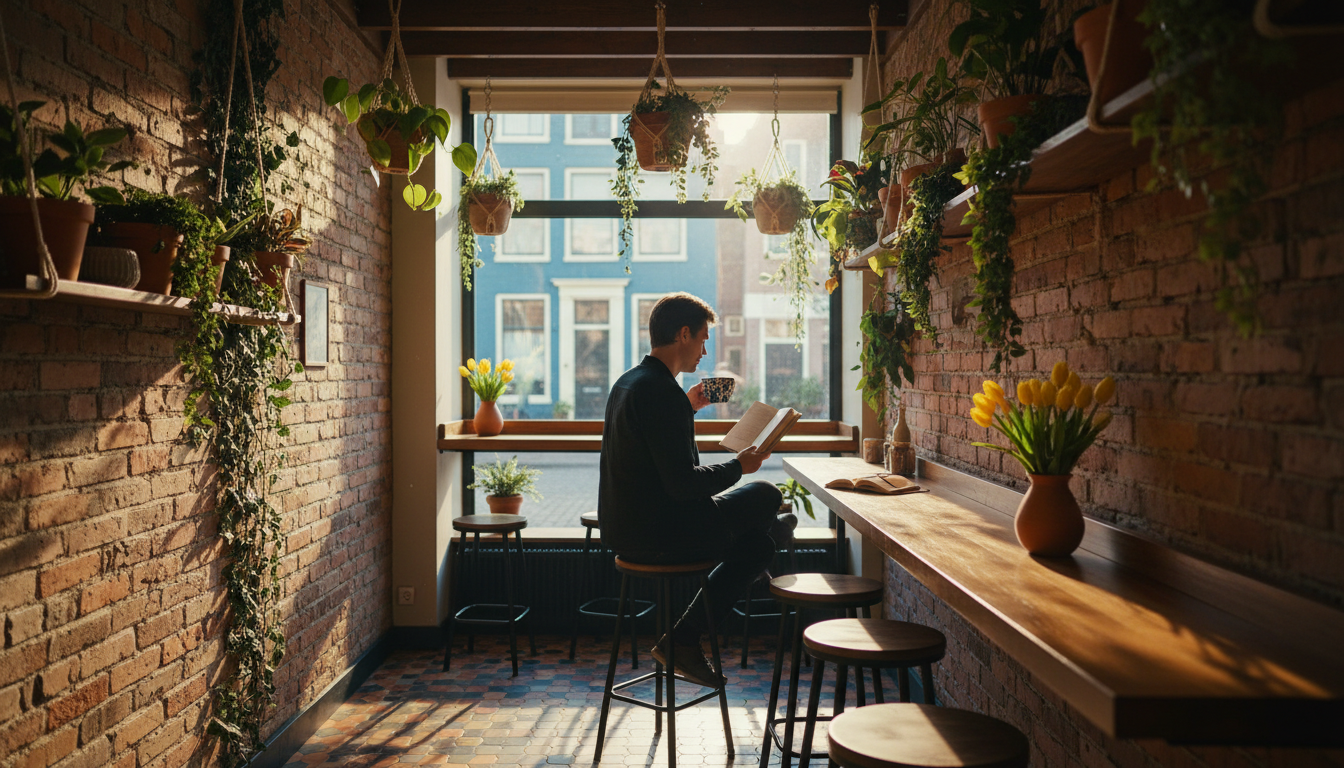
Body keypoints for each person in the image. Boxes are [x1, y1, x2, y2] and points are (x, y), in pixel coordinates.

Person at [598, 292, 794, 688]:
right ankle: (683, 640)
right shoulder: (662, 393)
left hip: (625, 529)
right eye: (704, 339)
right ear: (683, 334)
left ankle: (685, 638)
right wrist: (740, 465)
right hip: (661, 533)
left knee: (759, 545)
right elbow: (684, 484)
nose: (705, 351)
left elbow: (657, 462)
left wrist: (685, 408)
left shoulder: (630, 383)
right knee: (766, 497)